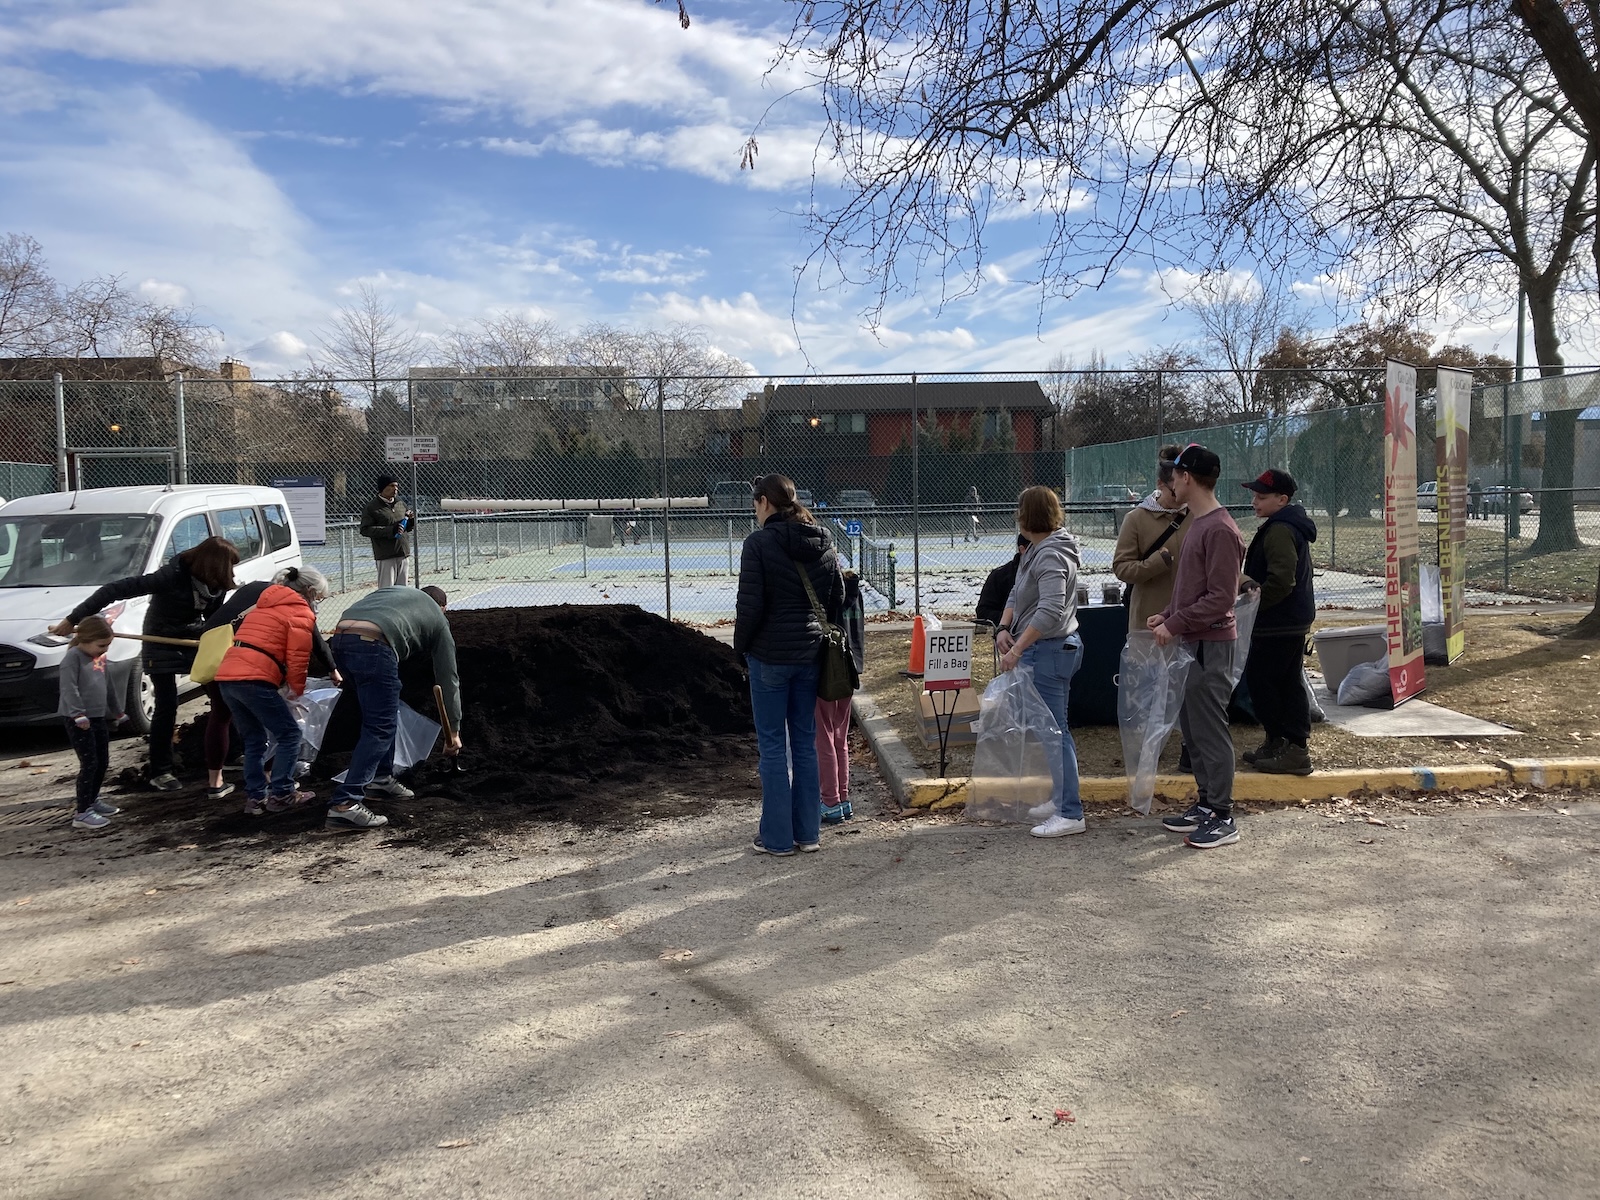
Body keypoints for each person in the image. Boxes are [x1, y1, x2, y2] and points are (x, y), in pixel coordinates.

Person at [51, 536, 240, 792]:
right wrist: (73, 618)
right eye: (227, 567)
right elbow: (113, 590)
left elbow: (213, 617)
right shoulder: (170, 576)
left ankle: (225, 754)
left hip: (195, 640)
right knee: (167, 705)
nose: (230, 573)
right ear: (211, 565)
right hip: (160, 640)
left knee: (224, 700)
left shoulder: (217, 584)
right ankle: (160, 770)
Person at [733, 474, 845, 857]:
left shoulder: (758, 544)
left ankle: (777, 838)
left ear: (764, 502)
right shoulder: (823, 539)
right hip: (810, 655)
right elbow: (837, 598)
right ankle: (808, 833)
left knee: (772, 746)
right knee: (805, 742)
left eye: (755, 504)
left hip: (768, 657)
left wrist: (740, 649)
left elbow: (750, 607)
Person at [1150, 445, 1247, 849]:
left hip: (1210, 644)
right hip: (1194, 642)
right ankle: (1207, 805)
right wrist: (1168, 613)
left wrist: (1175, 622)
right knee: (1193, 728)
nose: (1169, 481)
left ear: (1187, 477)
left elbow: (1221, 598)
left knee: (1209, 730)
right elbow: (1192, 587)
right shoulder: (1199, 522)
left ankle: (1223, 816)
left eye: (1174, 474)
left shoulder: (1220, 529)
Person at [326, 584, 462, 832]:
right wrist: (453, 731)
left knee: (379, 716)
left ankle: (380, 779)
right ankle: (345, 805)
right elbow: (448, 677)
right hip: (374, 645)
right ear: (443, 608)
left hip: (340, 640)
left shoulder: (397, 593)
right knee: (380, 725)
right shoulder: (438, 619)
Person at [199, 568, 341, 802]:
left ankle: (256, 797)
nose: (318, 603)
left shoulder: (263, 604)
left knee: (255, 739)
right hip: (254, 679)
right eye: (320, 598)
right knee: (290, 734)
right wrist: (296, 694)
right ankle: (284, 792)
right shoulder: (299, 612)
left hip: (226, 675)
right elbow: (298, 659)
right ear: (310, 592)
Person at [995, 486, 1085, 839]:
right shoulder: (1036, 549)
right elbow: (1018, 592)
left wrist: (1016, 650)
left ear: (1028, 515)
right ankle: (1062, 797)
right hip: (1042, 649)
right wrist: (1004, 627)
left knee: (1055, 733)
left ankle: (1070, 812)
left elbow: (1050, 610)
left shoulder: (1050, 554)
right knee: (1051, 732)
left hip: (1049, 650)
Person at [1239, 469, 1318, 776]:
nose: (1254, 501)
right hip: (1286, 620)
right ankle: (1277, 741)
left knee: (1271, 683)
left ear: (1282, 500)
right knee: (1275, 683)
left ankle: (1295, 748)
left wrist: (1253, 605)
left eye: (1262, 496)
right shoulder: (1280, 525)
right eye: (1254, 495)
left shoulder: (1281, 529)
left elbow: (1282, 580)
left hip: (1279, 622)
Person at [58, 615, 126, 831]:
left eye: (107, 645)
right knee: (89, 764)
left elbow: (108, 685)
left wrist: (116, 711)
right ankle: (82, 812)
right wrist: (78, 714)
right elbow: (69, 688)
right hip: (78, 719)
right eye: (101, 645)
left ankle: (93, 799)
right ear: (85, 640)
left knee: (102, 761)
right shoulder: (73, 658)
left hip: (97, 717)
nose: (104, 650)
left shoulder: (99, 658)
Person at [1112, 445, 1189, 634]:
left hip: (1188, 622)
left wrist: (1243, 582)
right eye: (1174, 491)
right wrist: (1155, 564)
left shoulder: (1198, 516)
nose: (1180, 496)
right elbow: (1121, 568)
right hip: (1149, 625)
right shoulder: (1136, 519)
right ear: (1160, 484)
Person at [816, 569, 866, 825]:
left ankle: (830, 800)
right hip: (849, 667)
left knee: (822, 735)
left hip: (826, 668)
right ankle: (842, 797)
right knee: (839, 736)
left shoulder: (826, 589)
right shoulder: (854, 589)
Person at [361, 475, 413, 589]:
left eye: (397, 486)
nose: (395, 489)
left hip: (402, 552)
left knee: (403, 590)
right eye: (391, 486)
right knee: (387, 589)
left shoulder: (401, 503)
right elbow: (365, 530)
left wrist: (410, 523)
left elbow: (405, 527)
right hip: (385, 554)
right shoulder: (372, 507)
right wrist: (390, 530)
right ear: (383, 488)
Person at [975, 535, 1029, 629]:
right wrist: (1011, 620)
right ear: (1022, 549)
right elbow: (983, 612)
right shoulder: (1000, 575)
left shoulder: (1052, 574)